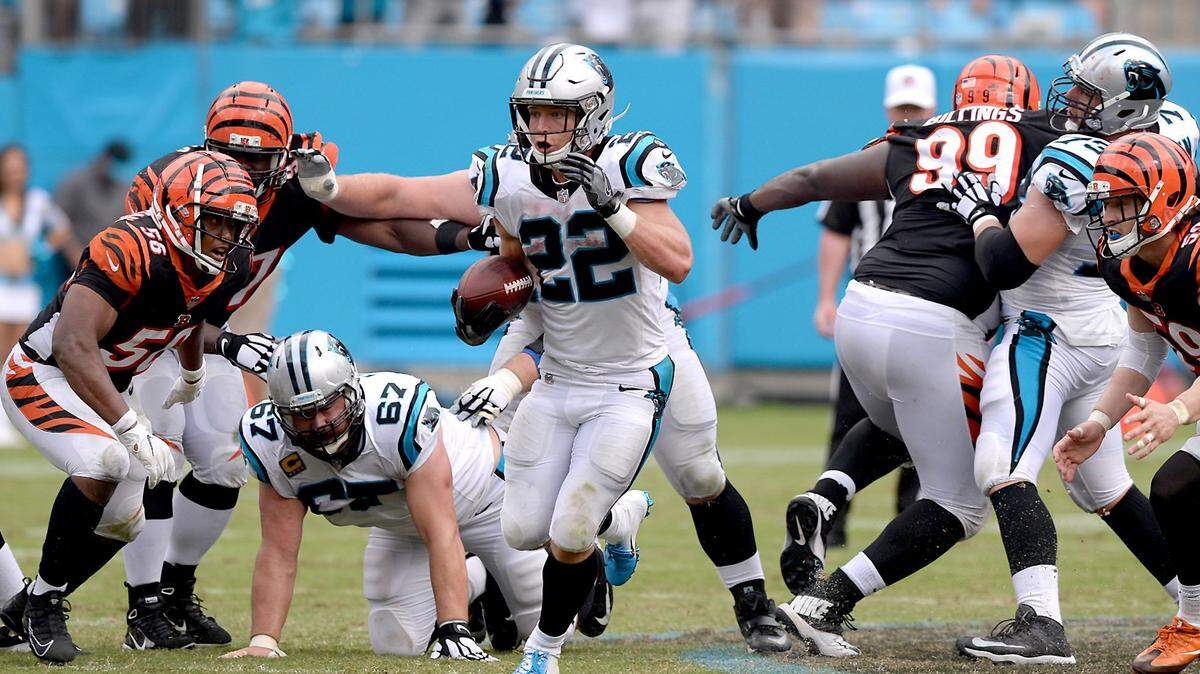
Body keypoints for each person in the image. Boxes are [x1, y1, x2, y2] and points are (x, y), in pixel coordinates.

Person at [116, 80, 499, 651]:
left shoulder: (294, 189)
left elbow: (389, 223)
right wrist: (227, 344)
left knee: (224, 464)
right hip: (151, 339)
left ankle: (175, 591)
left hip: (214, 334)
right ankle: (136, 607)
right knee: (157, 460)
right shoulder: (173, 188)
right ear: (205, 148)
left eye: (257, 159)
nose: (243, 171)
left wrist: (467, 238)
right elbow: (162, 294)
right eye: (230, 156)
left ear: (283, 155)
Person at [711, 54, 1056, 657]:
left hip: (861, 308)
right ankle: (827, 603)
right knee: (960, 503)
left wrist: (751, 203)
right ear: (1023, 95)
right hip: (936, 322)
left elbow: (817, 177)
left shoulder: (921, 137)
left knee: (902, 425)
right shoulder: (1045, 139)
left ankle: (827, 498)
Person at [944, 36, 1190, 664]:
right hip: (1123, 327)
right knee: (1112, 484)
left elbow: (1001, 263)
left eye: (1089, 94)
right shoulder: (1180, 136)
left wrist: (978, 214)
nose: (1074, 102)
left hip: (1048, 330)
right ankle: (1194, 614)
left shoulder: (1075, 160)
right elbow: (1141, 315)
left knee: (1001, 464)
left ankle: (1041, 625)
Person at [457, 43, 691, 674]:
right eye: (533, 113)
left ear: (592, 112)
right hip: (557, 378)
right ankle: (622, 517)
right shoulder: (509, 177)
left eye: (556, 114)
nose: (540, 127)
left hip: (627, 382)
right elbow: (517, 267)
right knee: (522, 532)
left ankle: (544, 651)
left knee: (567, 531)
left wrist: (613, 206)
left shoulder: (627, 162)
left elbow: (678, 260)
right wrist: (490, 300)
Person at [0, 150, 259, 664]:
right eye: (217, 224)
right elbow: (74, 344)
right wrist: (128, 424)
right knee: (108, 461)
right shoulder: (128, 247)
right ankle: (45, 603)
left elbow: (191, 317)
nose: (227, 240)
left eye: (234, 228)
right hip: (43, 373)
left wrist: (192, 373)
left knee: (126, 522)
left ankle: (24, 604)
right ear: (182, 214)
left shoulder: (217, 264)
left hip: (102, 387)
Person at [220, 331, 617, 660]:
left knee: (548, 628)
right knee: (396, 641)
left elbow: (442, 530)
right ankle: (478, 577)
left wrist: (453, 629)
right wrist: (263, 641)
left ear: (352, 390)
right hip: (403, 526)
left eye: (329, 406)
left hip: (488, 501)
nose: (320, 423)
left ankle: (588, 547)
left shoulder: (394, 416)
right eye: (302, 414)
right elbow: (277, 551)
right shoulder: (271, 444)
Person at [1052, 133, 1200, 674]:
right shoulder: (1131, 264)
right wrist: (1098, 420)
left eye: (1123, 203)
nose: (1110, 217)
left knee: (1180, 483)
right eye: (1107, 204)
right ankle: (1192, 625)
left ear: (1163, 198)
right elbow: (1142, 346)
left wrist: (1179, 410)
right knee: (1178, 487)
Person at [804, 63, 935, 557]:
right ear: (887, 109)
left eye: (915, 110)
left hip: (929, 308)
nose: (907, 117)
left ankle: (917, 504)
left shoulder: (950, 160)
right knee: (850, 413)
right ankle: (831, 516)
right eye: (901, 109)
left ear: (932, 108)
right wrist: (824, 297)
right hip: (870, 305)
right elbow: (837, 229)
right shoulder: (866, 161)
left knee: (930, 409)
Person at [55, 140, 133, 245]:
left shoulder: (124, 189)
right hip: (76, 252)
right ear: (103, 158)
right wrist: (77, 256)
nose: (114, 168)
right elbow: (57, 224)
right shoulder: (75, 182)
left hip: (111, 254)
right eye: (112, 161)